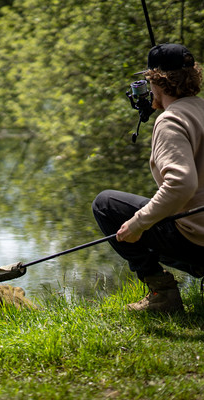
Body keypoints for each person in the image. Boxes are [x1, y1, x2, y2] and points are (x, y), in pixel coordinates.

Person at [92, 43, 204, 312]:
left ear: (157, 82)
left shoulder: (171, 120)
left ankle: (162, 294)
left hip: (198, 242)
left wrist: (138, 224)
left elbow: (181, 184)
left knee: (106, 205)